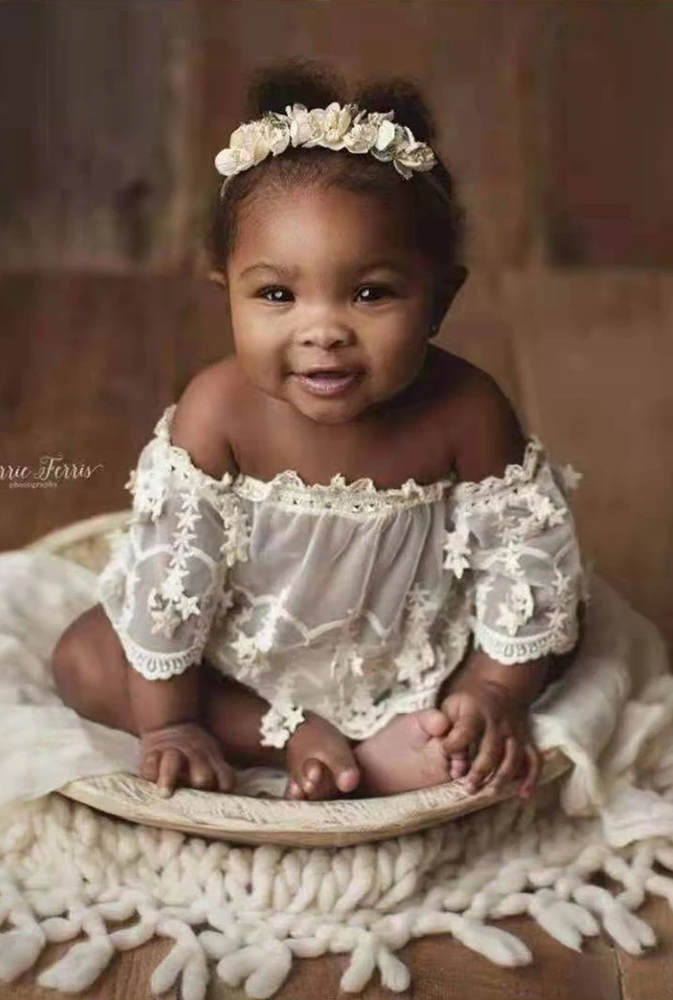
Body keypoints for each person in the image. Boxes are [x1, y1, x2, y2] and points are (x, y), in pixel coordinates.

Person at [52, 60, 589, 803]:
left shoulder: (467, 410)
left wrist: (494, 688)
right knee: (85, 656)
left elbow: (521, 562)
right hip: (242, 662)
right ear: (228, 296)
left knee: (562, 632)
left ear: (439, 299)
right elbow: (171, 589)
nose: (324, 330)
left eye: (371, 293)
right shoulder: (218, 412)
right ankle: (290, 732)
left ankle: (414, 731)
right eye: (277, 294)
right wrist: (170, 725)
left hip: (406, 655)